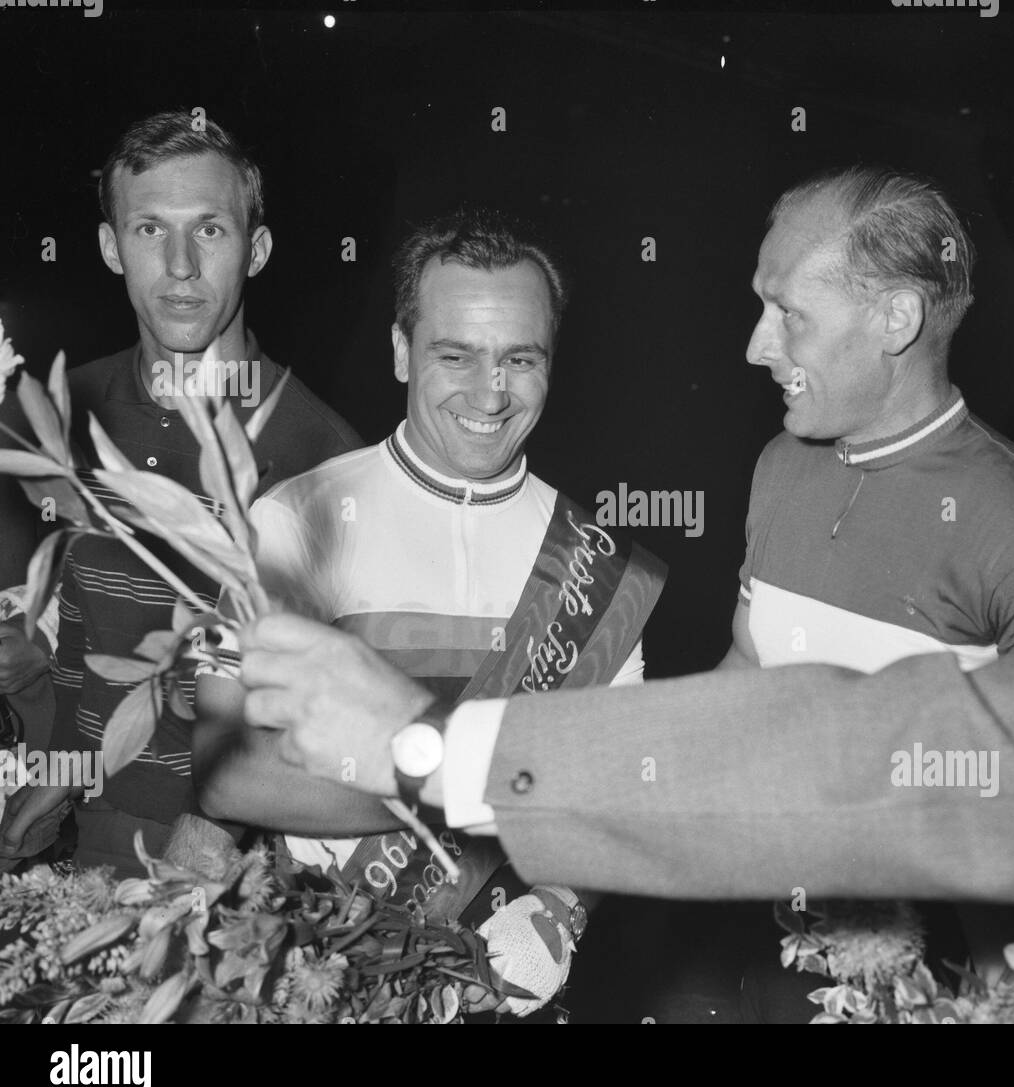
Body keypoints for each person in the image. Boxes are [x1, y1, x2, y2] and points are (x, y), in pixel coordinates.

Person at [237, 2, 1014, 906]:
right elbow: (758, 694)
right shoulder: (779, 469)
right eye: (451, 351)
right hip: (745, 905)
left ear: (892, 322)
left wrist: (438, 749)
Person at [192, 209, 666, 1017]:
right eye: (457, 355)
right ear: (403, 351)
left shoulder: (598, 563)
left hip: (499, 993)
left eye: (520, 358)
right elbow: (230, 772)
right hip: (309, 975)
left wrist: (563, 911)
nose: (492, 392)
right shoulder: (290, 520)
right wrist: (476, 777)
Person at [722, 165, 1014, 1015]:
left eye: (788, 313)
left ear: (896, 318)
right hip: (766, 961)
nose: (757, 346)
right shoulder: (778, 465)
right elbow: (744, 674)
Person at [0, 111, 363, 876]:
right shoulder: (69, 411)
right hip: (91, 839)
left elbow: (339, 716)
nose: (179, 267)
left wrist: (218, 846)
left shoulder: (323, 458)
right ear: (110, 247)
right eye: (148, 230)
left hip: (249, 865)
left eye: (209, 231)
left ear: (256, 250)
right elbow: (88, 632)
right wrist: (61, 776)